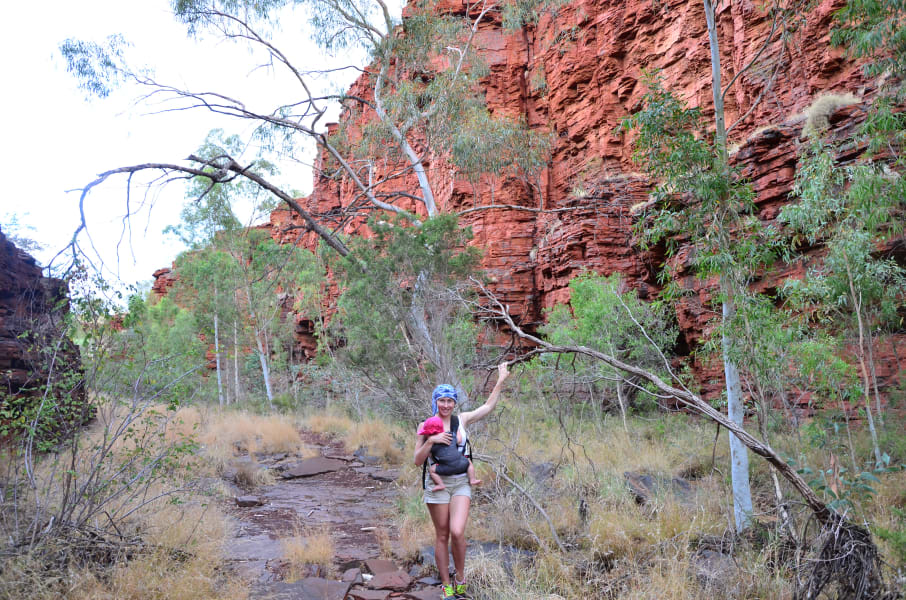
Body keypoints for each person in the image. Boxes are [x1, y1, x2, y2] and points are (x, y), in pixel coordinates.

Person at [414, 363, 510, 600]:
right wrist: (430, 441)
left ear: (454, 403)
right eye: (442, 400)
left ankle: (460, 576)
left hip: (461, 482)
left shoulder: (462, 420)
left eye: (450, 401)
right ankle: (446, 584)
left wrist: (501, 379)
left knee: (457, 532)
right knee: (442, 534)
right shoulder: (426, 426)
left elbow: (487, 407)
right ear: (435, 401)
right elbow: (417, 461)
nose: (446, 405)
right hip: (437, 484)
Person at [417, 416, 481, 490]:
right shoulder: (450, 435)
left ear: (428, 434)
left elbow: (428, 455)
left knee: (431, 470)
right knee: (468, 461)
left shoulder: (431, 445)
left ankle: (440, 484)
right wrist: (458, 431)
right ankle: (472, 479)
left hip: (447, 468)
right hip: (461, 464)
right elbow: (459, 440)